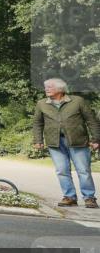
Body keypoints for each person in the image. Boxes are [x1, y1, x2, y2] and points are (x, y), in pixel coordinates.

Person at [33, 78, 100, 208]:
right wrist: (38, 140)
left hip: (78, 141)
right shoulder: (42, 104)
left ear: (60, 89)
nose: (46, 89)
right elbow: (37, 123)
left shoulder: (77, 101)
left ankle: (89, 198)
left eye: (50, 87)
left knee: (83, 170)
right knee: (62, 170)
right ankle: (69, 197)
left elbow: (91, 120)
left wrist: (96, 139)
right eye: (46, 87)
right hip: (55, 142)